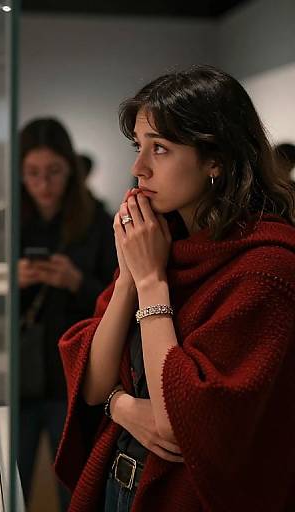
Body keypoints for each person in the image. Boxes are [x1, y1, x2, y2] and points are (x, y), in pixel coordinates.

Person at [54, 65, 295, 512]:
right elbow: (92, 385)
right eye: (139, 146)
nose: (137, 167)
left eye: (159, 149)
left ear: (216, 160)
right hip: (120, 484)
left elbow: (181, 422)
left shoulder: (267, 269)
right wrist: (129, 279)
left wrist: (150, 283)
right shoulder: (163, 241)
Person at [0, 118, 117, 510]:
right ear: (19, 172)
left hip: (78, 379)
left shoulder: (98, 223)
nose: (44, 185)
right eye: (32, 174)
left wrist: (76, 281)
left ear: (72, 169)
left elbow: (121, 301)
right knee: (8, 488)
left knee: (78, 490)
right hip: (17, 375)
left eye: (53, 173)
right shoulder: (3, 223)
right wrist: (9, 279)